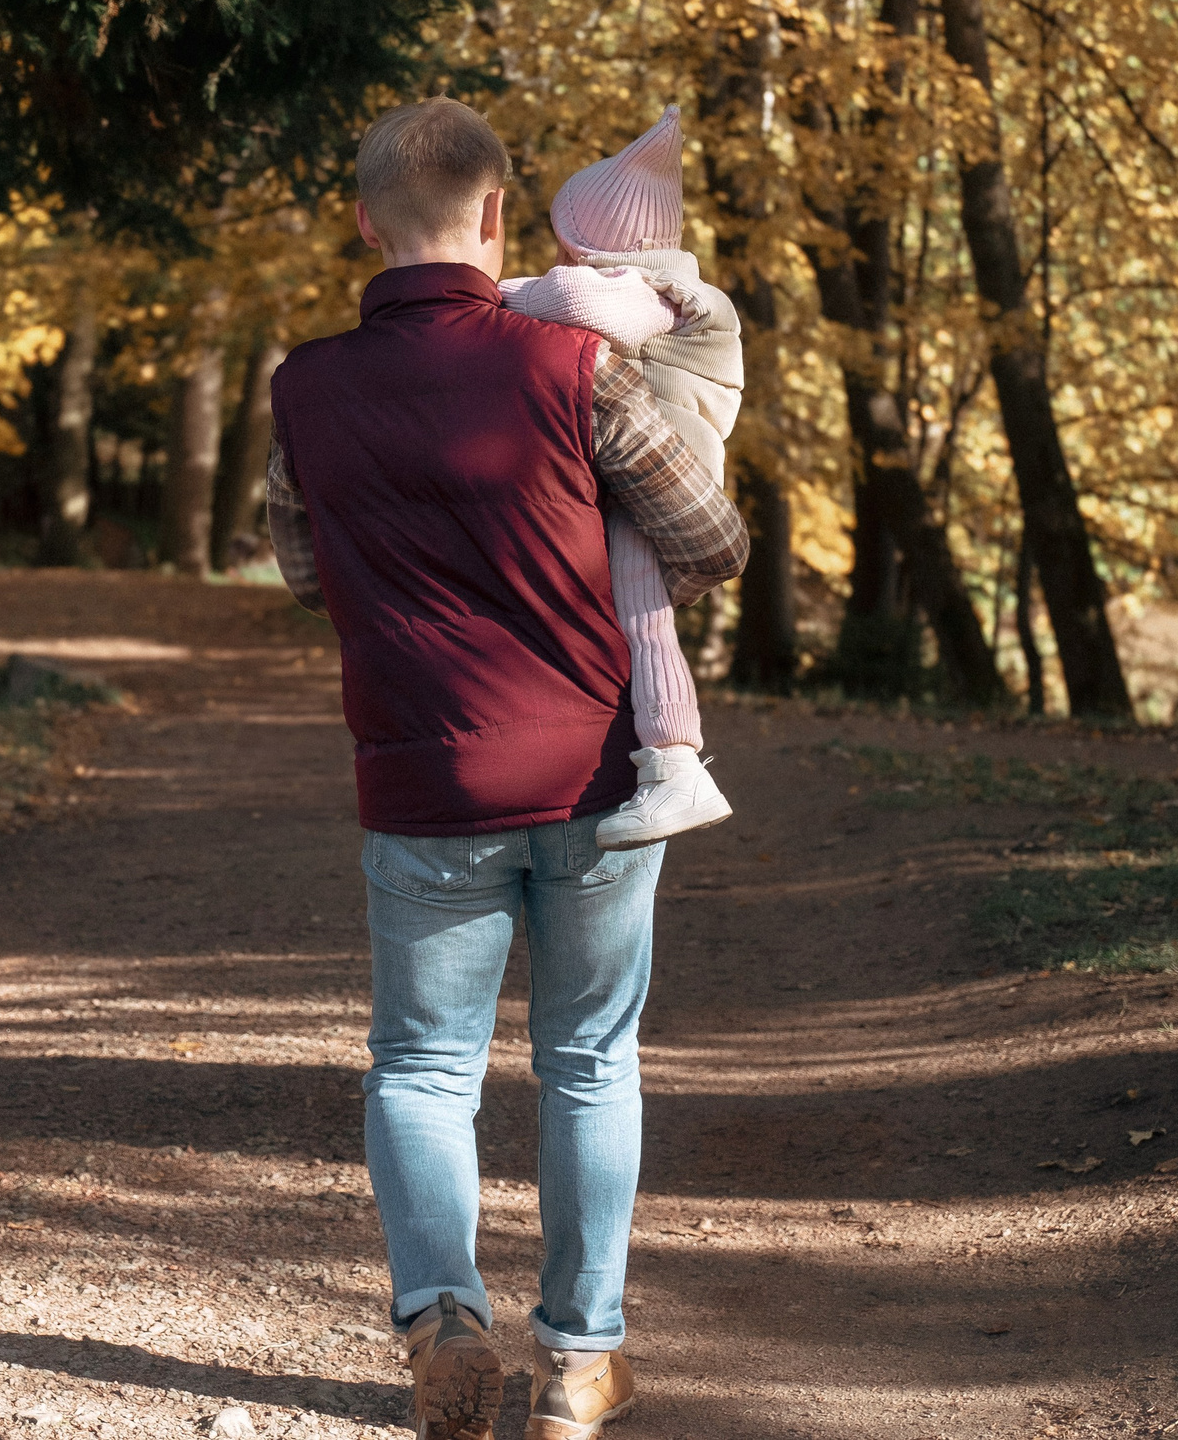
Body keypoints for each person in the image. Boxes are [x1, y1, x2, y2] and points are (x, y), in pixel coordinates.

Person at [265, 99, 748, 1440]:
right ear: (494, 214)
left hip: (422, 775)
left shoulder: (304, 387)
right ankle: (580, 1363)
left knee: (424, 1068)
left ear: (364, 221)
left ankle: (442, 1319)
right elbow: (711, 538)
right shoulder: (574, 364)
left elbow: (302, 567)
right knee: (589, 1060)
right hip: (596, 770)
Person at [498, 106, 743, 846]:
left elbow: (578, 302)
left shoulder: (669, 296)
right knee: (627, 612)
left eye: (564, 244)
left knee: (641, 610)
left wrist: (490, 297)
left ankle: (675, 766)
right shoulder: (651, 289)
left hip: (666, 473)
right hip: (642, 466)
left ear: (588, 243)